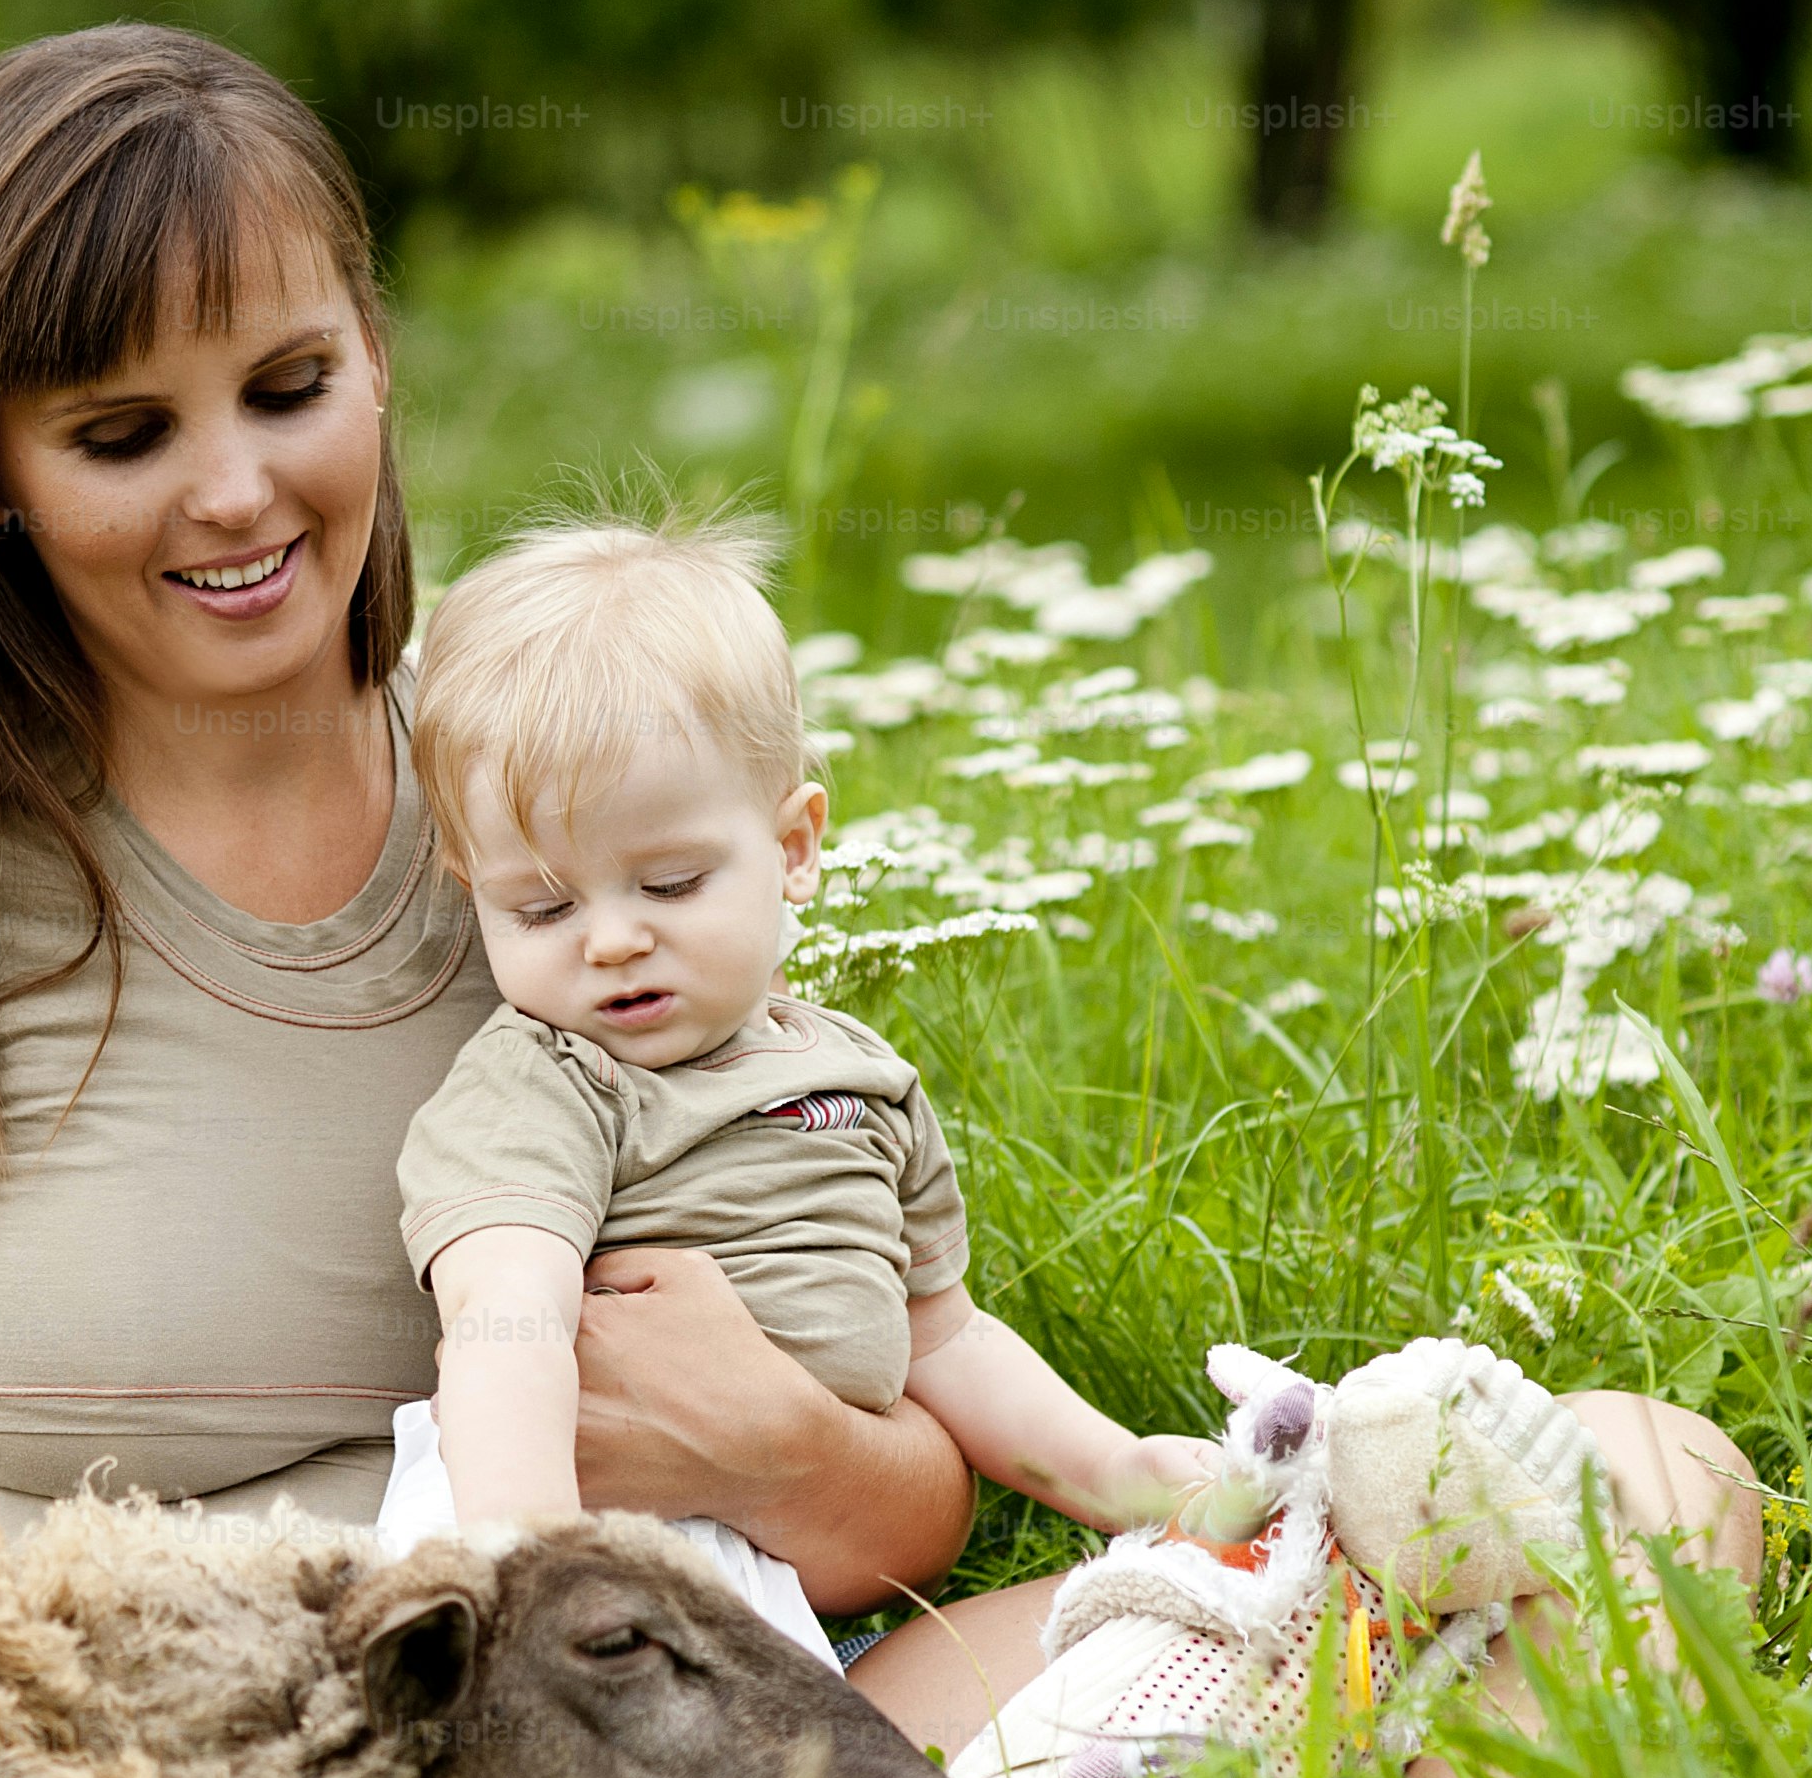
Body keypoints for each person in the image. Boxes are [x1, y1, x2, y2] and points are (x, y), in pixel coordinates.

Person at [0, 18, 1762, 1759]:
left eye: (287, 381)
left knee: (1636, 1480)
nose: (237, 492)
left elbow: (881, 1480)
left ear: (376, 356)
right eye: (122, 432)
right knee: (1356, 1734)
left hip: (711, 1689)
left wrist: (795, 1450)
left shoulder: (545, 819)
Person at [372, 512, 1270, 1670]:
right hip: (550, 1521)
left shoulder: (855, 1076)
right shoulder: (545, 1078)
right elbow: (505, 1328)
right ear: (473, 891)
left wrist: (1114, 1471)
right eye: (541, 909)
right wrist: (539, 1564)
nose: (607, 941)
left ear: (794, 847)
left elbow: (940, 1335)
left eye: (670, 881)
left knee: (1168, 1670)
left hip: (763, 1557)